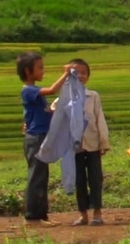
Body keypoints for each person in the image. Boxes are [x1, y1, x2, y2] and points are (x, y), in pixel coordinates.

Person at [16, 51, 72, 227]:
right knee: (37, 176)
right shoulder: (29, 91)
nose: (43, 71)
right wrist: (66, 73)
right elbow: (52, 90)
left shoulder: (34, 94)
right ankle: (33, 217)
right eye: (39, 68)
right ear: (27, 71)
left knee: (41, 175)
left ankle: (41, 216)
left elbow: (40, 114)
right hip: (36, 138)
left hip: (39, 137)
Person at [53, 58, 110, 227]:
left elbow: (100, 119)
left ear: (88, 76)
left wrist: (103, 142)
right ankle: (83, 214)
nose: (80, 76)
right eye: (75, 73)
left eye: (83, 73)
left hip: (92, 144)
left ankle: (97, 213)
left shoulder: (93, 96)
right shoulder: (63, 99)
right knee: (79, 181)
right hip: (73, 148)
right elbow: (53, 116)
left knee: (95, 179)